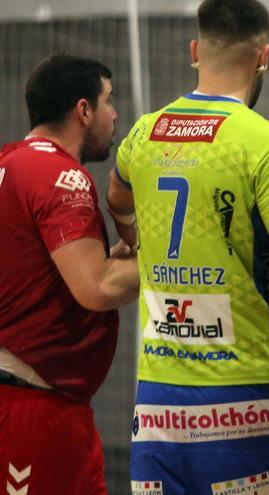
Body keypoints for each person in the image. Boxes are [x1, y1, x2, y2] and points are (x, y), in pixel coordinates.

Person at [107, 1, 269, 493]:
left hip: (158, 402)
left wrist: (137, 241)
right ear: (263, 56)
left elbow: (117, 196)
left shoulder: (144, 132)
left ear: (195, 51)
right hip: (249, 394)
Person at [0, 54, 139, 495]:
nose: (115, 115)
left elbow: (37, 270)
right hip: (34, 409)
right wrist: (178, 262)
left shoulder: (11, 162)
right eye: (109, 101)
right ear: (83, 111)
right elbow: (96, 288)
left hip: (28, 400)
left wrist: (118, 258)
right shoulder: (62, 176)